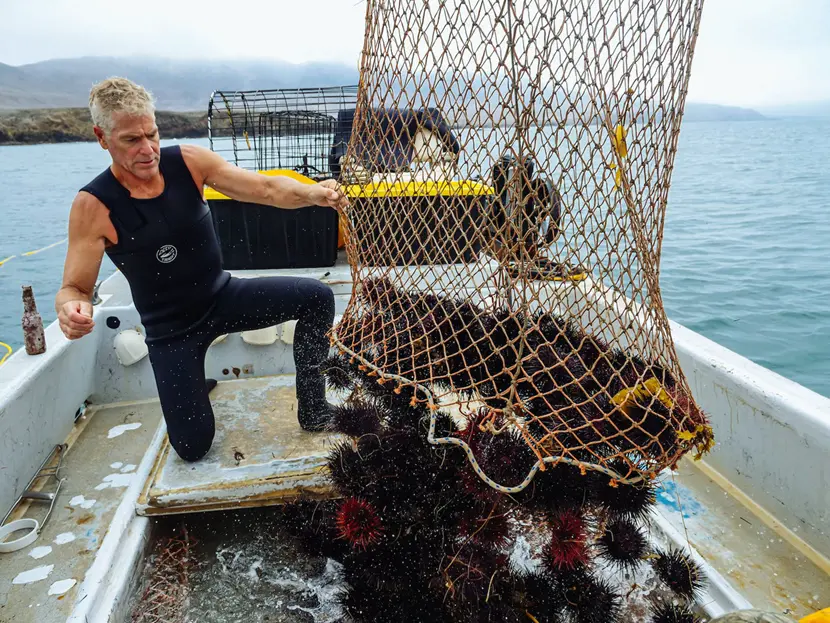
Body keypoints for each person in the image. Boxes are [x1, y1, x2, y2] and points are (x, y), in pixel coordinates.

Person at [55, 77, 348, 462]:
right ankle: (190, 383)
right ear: (101, 137)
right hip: (171, 331)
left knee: (317, 297)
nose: (147, 149)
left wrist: (312, 192)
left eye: (152, 134)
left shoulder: (189, 163)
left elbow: (265, 188)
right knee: (193, 448)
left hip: (223, 297)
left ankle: (313, 409)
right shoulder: (93, 206)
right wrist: (71, 310)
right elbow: (75, 288)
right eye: (131, 140)